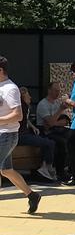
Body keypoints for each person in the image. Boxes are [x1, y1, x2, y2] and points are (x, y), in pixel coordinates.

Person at [0, 57, 42, 213]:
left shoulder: (10, 88)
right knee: (6, 170)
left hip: (7, 135)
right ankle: (32, 195)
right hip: (2, 134)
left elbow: (18, 115)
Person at [16, 88, 57, 181]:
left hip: (24, 133)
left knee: (44, 141)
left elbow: (25, 119)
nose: (30, 97)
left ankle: (44, 165)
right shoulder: (22, 106)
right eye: (28, 95)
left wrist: (32, 127)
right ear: (23, 97)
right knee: (49, 143)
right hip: (21, 136)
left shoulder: (24, 107)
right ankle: (47, 167)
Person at [36, 81, 70, 180]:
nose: (57, 93)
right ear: (49, 90)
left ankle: (71, 168)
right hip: (45, 132)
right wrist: (59, 110)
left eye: (59, 91)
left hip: (56, 129)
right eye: (55, 90)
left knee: (73, 138)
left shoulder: (57, 103)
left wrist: (54, 122)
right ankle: (60, 171)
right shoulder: (43, 104)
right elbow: (49, 123)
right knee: (61, 142)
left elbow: (65, 121)